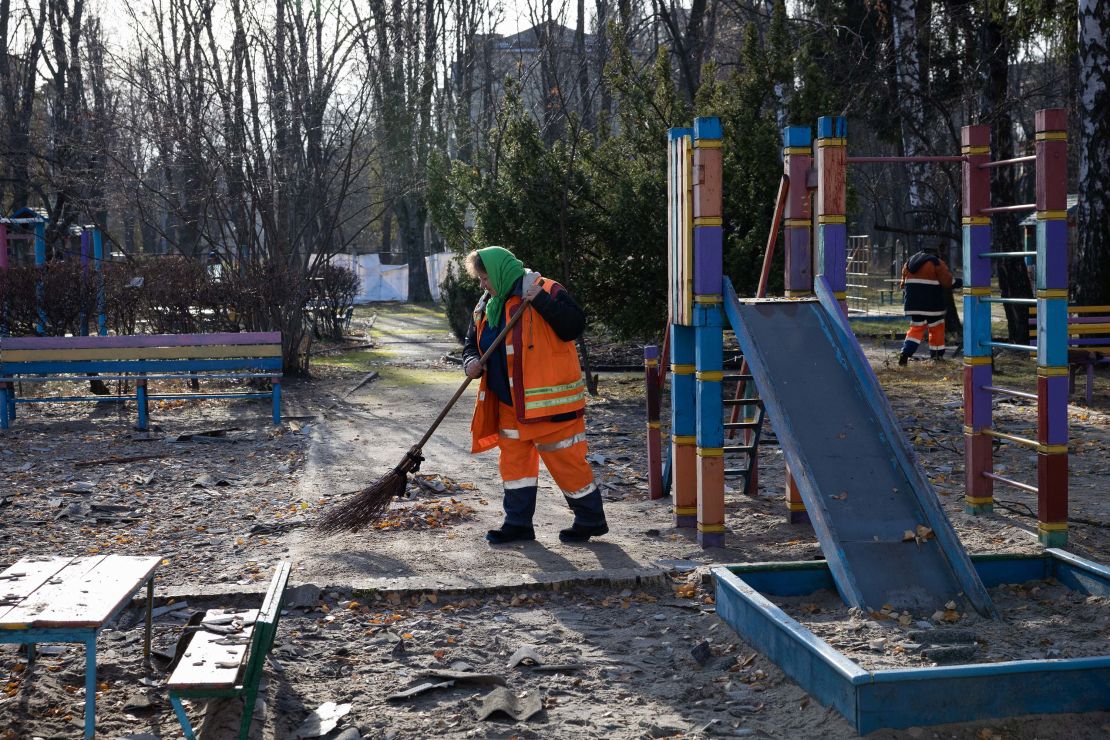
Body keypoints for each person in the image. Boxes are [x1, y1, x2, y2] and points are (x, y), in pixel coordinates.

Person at [461, 246, 607, 545]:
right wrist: (470, 363)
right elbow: (471, 344)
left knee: (567, 462)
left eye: (485, 278)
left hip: (549, 405)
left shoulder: (545, 289)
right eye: (480, 279)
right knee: (515, 467)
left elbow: (573, 326)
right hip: (508, 403)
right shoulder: (488, 304)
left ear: (500, 272)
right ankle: (517, 524)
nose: (482, 285)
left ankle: (590, 520)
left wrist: (540, 301)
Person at [897, 243, 955, 365]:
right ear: (936, 252)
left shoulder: (909, 262)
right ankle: (937, 356)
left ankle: (905, 353)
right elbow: (947, 282)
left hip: (913, 305)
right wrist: (959, 282)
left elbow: (902, 284)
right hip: (932, 305)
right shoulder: (936, 263)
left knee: (916, 329)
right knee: (936, 328)